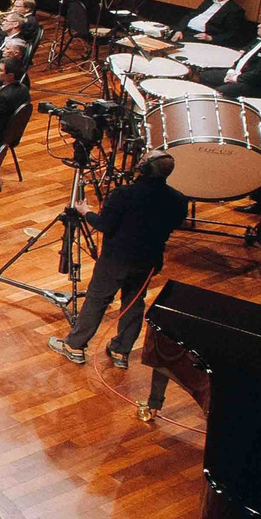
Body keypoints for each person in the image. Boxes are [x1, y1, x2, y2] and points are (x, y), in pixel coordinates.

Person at [50, 153, 190, 369]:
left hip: (116, 259)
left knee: (97, 300)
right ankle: (121, 351)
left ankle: (74, 346)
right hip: (148, 261)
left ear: (142, 167)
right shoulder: (179, 199)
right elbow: (174, 224)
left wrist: (86, 212)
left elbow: (105, 225)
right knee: (133, 303)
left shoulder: (124, 194)